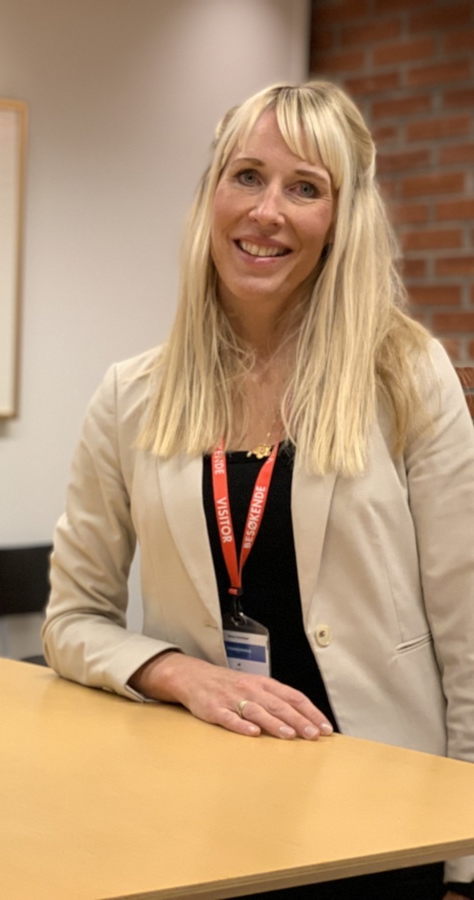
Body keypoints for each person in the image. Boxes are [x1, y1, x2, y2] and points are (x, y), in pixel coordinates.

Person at [42, 81, 474, 899]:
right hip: (202, 820)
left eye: (305, 188)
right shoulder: (132, 394)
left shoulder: (407, 376)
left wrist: (465, 865)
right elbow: (72, 621)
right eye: (247, 176)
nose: (267, 211)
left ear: (342, 220)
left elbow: (470, 636)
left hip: (383, 824)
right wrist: (177, 672)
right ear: (211, 195)